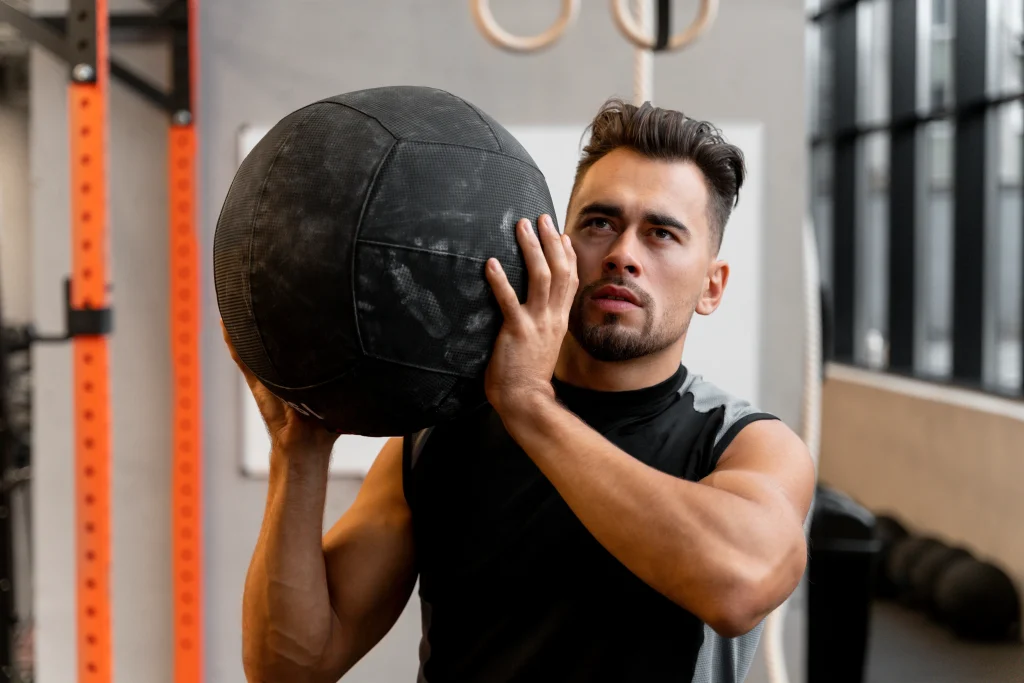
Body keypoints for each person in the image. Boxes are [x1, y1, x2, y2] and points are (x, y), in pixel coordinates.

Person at [230, 98, 816, 683]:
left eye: (661, 234)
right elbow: (288, 669)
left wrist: (529, 405)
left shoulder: (744, 444)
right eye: (599, 223)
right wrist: (297, 454)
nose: (622, 256)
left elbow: (740, 586)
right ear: (558, 249)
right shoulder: (439, 436)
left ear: (711, 287)